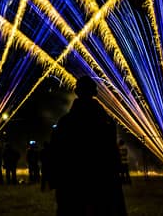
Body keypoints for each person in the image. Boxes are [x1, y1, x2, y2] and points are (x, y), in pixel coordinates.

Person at [49, 77, 127, 216]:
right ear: (95, 92)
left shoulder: (65, 122)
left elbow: (56, 154)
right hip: (102, 183)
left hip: (72, 183)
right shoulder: (106, 123)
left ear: (76, 91)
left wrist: (56, 179)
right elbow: (112, 155)